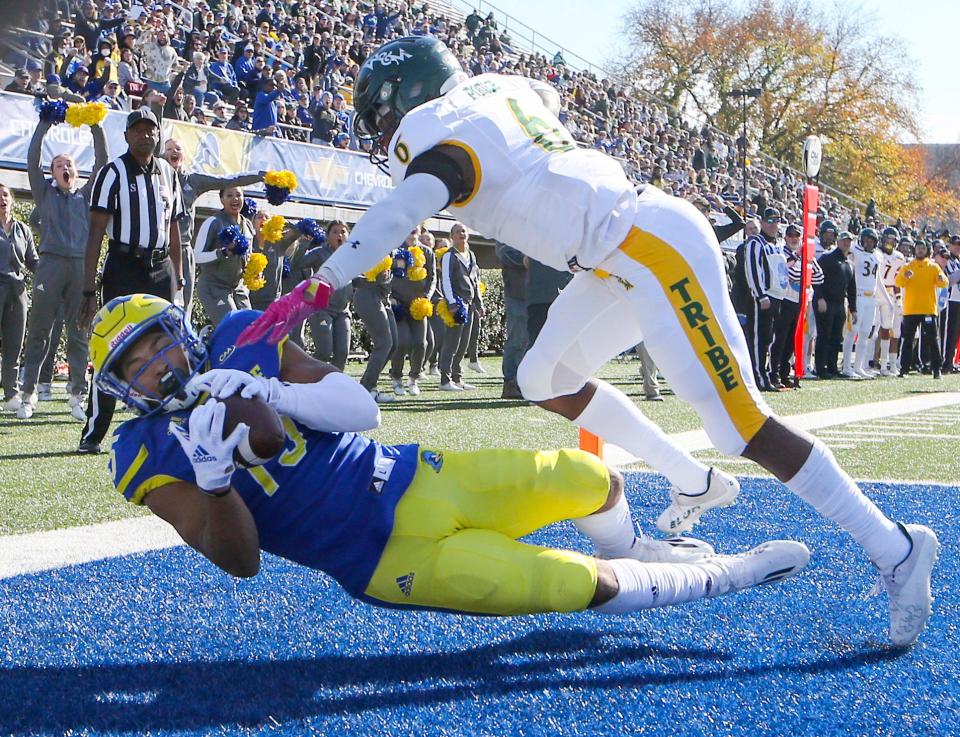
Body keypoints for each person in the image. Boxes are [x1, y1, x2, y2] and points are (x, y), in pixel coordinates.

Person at [243, 37, 938, 646]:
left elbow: (401, 209)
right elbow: (541, 95)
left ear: (405, 97)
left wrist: (320, 283)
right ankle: (689, 478)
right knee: (543, 374)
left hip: (646, 247)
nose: (383, 128)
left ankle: (897, 548)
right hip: (610, 254)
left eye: (382, 113)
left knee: (742, 425)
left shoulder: (437, 134)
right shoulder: (502, 92)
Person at [92, 293, 809, 620]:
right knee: (569, 583)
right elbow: (240, 561)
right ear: (123, 388)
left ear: (181, 328)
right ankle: (730, 573)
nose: (157, 364)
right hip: (382, 559)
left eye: (158, 341)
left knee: (591, 475)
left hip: (413, 476)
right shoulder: (144, 450)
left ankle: (647, 548)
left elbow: (361, 410)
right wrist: (217, 482)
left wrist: (268, 386)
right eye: (137, 362)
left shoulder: (243, 338)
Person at [77, 108, 186, 455]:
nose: (145, 136)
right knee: (111, 347)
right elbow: (95, 232)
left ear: (158, 134)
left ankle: (171, 426)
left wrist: (179, 277)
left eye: (150, 130)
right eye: (137, 130)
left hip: (160, 268)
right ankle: (93, 431)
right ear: (126, 136)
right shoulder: (113, 173)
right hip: (124, 265)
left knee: (170, 347)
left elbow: (174, 231)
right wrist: (88, 288)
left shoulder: (169, 173)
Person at [17, 109, 108, 421]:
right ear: (52, 173)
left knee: (79, 334)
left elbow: (102, 161)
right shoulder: (44, 194)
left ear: (76, 170)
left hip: (80, 270)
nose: (64, 167)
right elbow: (32, 158)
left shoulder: (85, 196)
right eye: (58, 165)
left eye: (68, 164)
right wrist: (45, 123)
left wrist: (95, 125)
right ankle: (28, 393)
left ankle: (76, 397)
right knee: (39, 330)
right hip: (51, 267)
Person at [160, 139, 264, 319]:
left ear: (183, 156)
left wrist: (261, 176)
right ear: (162, 155)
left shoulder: (193, 181)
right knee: (159, 303)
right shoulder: (156, 176)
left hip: (183, 250)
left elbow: (228, 180)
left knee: (183, 308)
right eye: (169, 149)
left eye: (178, 148)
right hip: (159, 247)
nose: (173, 152)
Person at [193, 186, 256, 326]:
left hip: (238, 289)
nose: (235, 199)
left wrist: (254, 271)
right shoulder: (213, 222)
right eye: (229, 195)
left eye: (238, 195)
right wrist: (222, 252)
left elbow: (249, 256)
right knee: (232, 328)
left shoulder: (248, 225)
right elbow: (196, 256)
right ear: (221, 199)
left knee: (250, 329)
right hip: (213, 287)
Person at [0, 184, 39, 410]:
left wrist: (51, 274)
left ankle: (11, 395)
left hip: (18, 291)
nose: (2, 200)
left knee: (14, 345)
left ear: (12, 200)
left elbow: (33, 261)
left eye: (5, 195)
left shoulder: (22, 229)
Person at [389, 226, 436, 396]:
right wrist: (391, 298)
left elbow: (432, 278)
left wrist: (426, 297)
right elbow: (386, 275)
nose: (412, 228)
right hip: (398, 304)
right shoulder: (394, 250)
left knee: (420, 343)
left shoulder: (427, 252)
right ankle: (396, 377)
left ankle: (414, 378)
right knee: (402, 342)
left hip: (418, 304)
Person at [896, 240, 948, 379]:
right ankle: (904, 369)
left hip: (928, 309)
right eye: (918, 248)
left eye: (923, 248)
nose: (920, 250)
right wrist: (904, 276)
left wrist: (941, 277)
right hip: (911, 309)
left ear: (927, 250)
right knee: (908, 340)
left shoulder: (933, 266)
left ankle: (936, 369)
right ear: (915, 250)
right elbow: (898, 282)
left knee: (933, 340)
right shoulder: (907, 266)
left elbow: (944, 283)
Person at [437, 222, 478, 391]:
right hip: (457, 304)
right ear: (451, 236)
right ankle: (445, 380)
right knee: (452, 342)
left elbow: (475, 280)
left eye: (464, 231)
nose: (461, 234)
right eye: (457, 232)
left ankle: (457, 377)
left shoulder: (471, 254)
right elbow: (445, 279)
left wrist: (478, 303)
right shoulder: (449, 256)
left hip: (469, 303)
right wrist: (451, 302)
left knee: (464, 343)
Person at [813, 231, 856, 379]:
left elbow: (851, 288)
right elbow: (816, 277)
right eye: (844, 240)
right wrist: (819, 298)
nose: (846, 243)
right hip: (826, 301)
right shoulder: (827, 258)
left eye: (849, 241)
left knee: (837, 337)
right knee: (824, 335)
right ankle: (820, 367)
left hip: (839, 303)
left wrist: (853, 308)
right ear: (838, 241)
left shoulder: (849, 263)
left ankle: (832, 367)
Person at [495, 242, 527, 399]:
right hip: (516, 296)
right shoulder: (506, 236)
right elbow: (506, 253)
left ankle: (526, 382)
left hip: (536, 294)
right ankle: (511, 383)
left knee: (530, 341)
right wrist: (528, 259)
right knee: (517, 340)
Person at [875, 228, 907, 376]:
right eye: (887, 239)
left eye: (892, 239)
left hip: (894, 294)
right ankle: (882, 364)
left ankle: (893, 364)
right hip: (879, 292)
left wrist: (899, 298)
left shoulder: (899, 257)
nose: (889, 242)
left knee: (897, 331)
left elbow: (898, 281)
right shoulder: (877, 254)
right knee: (883, 329)